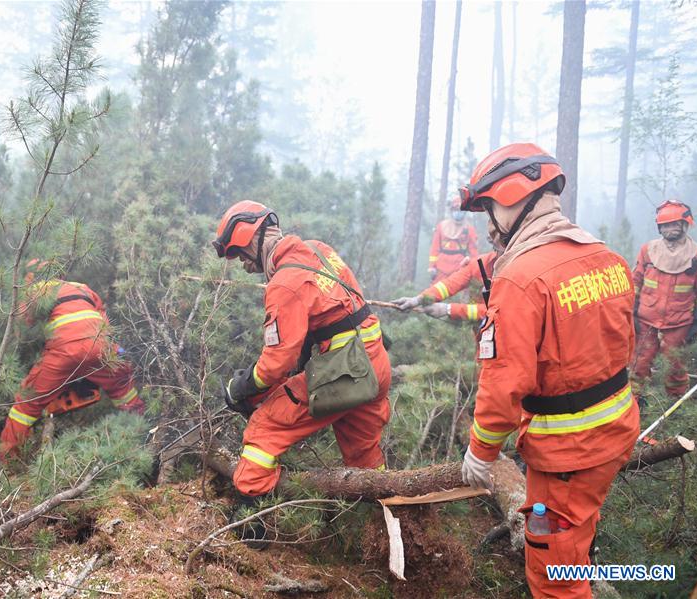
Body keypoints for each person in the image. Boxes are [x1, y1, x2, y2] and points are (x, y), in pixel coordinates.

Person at [457, 143, 639, 598]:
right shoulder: (607, 258)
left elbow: (502, 386)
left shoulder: (520, 278)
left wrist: (481, 453)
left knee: (552, 575)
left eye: (489, 208)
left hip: (567, 456)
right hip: (613, 433)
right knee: (577, 534)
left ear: (515, 195)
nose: (490, 224)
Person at [212, 201, 391, 504]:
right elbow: (336, 312)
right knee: (365, 457)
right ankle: (388, 511)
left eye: (241, 254)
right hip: (374, 364)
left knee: (265, 427)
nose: (244, 264)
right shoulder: (320, 250)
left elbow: (275, 365)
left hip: (345, 373)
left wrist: (242, 388)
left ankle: (251, 527)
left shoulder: (284, 284)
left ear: (254, 240)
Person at [0, 260, 144, 462]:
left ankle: (8, 462)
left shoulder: (35, 291)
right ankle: (143, 440)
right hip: (100, 346)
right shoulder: (81, 287)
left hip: (63, 353)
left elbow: (22, 328)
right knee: (124, 390)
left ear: (29, 278)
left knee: (25, 406)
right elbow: (104, 322)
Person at [631, 200, 697, 398]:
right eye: (665, 225)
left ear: (685, 225)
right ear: (659, 227)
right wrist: (630, 311)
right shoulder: (648, 250)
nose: (670, 229)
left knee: (675, 365)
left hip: (679, 322)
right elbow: (635, 282)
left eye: (675, 224)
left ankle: (675, 403)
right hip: (646, 320)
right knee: (639, 362)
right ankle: (635, 403)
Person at [394, 249, 499, 322]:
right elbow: (449, 285)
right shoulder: (480, 263)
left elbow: (498, 312)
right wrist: (418, 299)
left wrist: (448, 309)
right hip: (484, 338)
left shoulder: (513, 273)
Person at [427, 197, 478, 283]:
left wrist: (475, 269)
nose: (458, 212)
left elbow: (474, 252)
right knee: (435, 293)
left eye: (461, 210)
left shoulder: (469, 229)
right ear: (451, 210)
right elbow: (434, 249)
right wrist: (432, 267)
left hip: (460, 269)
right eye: (456, 209)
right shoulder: (442, 226)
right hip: (441, 269)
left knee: (461, 293)